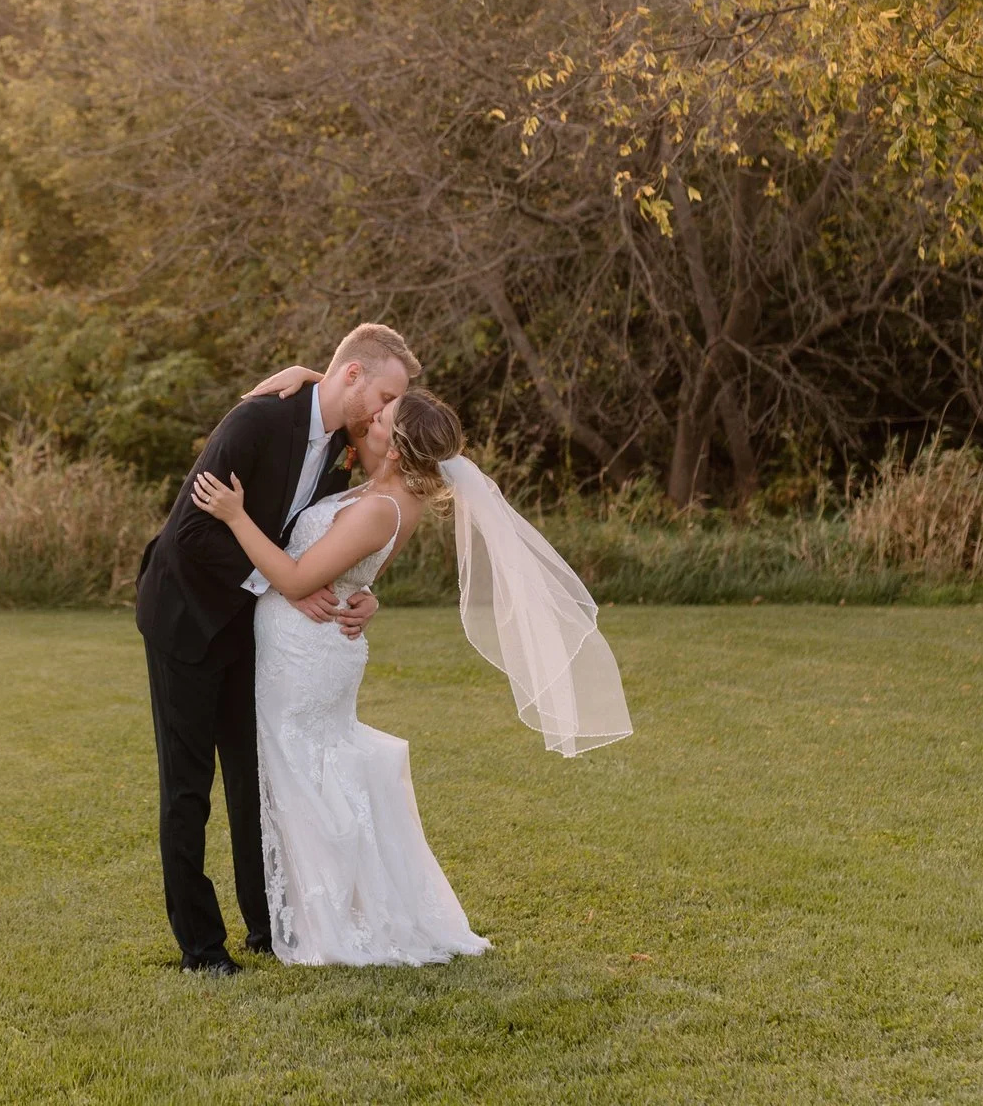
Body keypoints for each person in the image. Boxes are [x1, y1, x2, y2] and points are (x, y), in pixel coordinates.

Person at [193, 383, 634, 968]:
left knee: (306, 773)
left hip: (307, 655)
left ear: (396, 448)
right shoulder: (387, 494)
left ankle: (336, 916)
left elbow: (299, 580)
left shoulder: (382, 506)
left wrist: (235, 516)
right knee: (304, 771)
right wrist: (364, 595)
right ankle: (307, 908)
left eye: (384, 416)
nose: (373, 415)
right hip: (312, 646)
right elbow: (355, 573)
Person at [132, 323, 418, 976]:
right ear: (351, 375)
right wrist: (283, 586)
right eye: (384, 395)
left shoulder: (340, 443)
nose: (383, 414)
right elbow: (194, 532)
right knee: (187, 786)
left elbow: (330, 542)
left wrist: (358, 591)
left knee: (251, 778)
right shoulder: (258, 421)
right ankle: (201, 948)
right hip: (184, 614)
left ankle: (269, 927)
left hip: (249, 627)